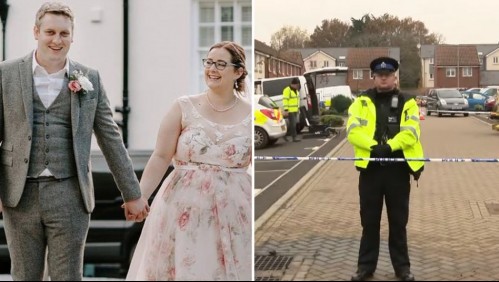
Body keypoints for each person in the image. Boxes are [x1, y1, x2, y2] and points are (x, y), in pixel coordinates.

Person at [0, 2, 149, 280]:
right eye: (50, 32)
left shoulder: (88, 78)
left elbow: (111, 138)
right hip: (19, 195)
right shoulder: (5, 74)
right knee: (24, 275)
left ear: (72, 36)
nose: (57, 40)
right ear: (36, 31)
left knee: (68, 276)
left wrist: (133, 194)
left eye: (64, 34)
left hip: (70, 194)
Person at [125, 41, 252, 281]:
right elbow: (161, 156)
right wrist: (140, 196)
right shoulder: (183, 107)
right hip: (181, 208)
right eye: (209, 62)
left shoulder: (251, 114)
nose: (212, 69)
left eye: (221, 64)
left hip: (235, 212)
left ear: (238, 72)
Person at [346, 57, 424, 281]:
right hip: (371, 170)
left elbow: (411, 132)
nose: (383, 77)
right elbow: (352, 131)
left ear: (394, 77)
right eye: (379, 74)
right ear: (373, 77)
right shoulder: (360, 102)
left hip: (397, 171)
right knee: (369, 222)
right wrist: (373, 148)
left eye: (388, 74)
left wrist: (390, 146)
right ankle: (365, 268)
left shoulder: (407, 102)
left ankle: (402, 268)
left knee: (398, 222)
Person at [282, 77, 301, 142]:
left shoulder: (296, 91)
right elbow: (285, 100)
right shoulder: (287, 90)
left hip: (295, 110)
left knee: (292, 124)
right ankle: (294, 137)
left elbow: (297, 100)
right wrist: (286, 110)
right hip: (290, 111)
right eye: (297, 85)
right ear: (293, 84)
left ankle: (284, 135)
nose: (297, 86)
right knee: (293, 124)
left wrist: (298, 108)